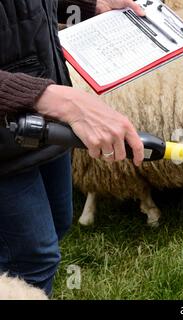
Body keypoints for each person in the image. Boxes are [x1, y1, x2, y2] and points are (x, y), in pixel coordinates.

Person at [0, 0, 146, 296]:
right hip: (16, 131)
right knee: (32, 257)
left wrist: (86, 5)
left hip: (42, 118)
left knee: (57, 224)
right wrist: (53, 99)